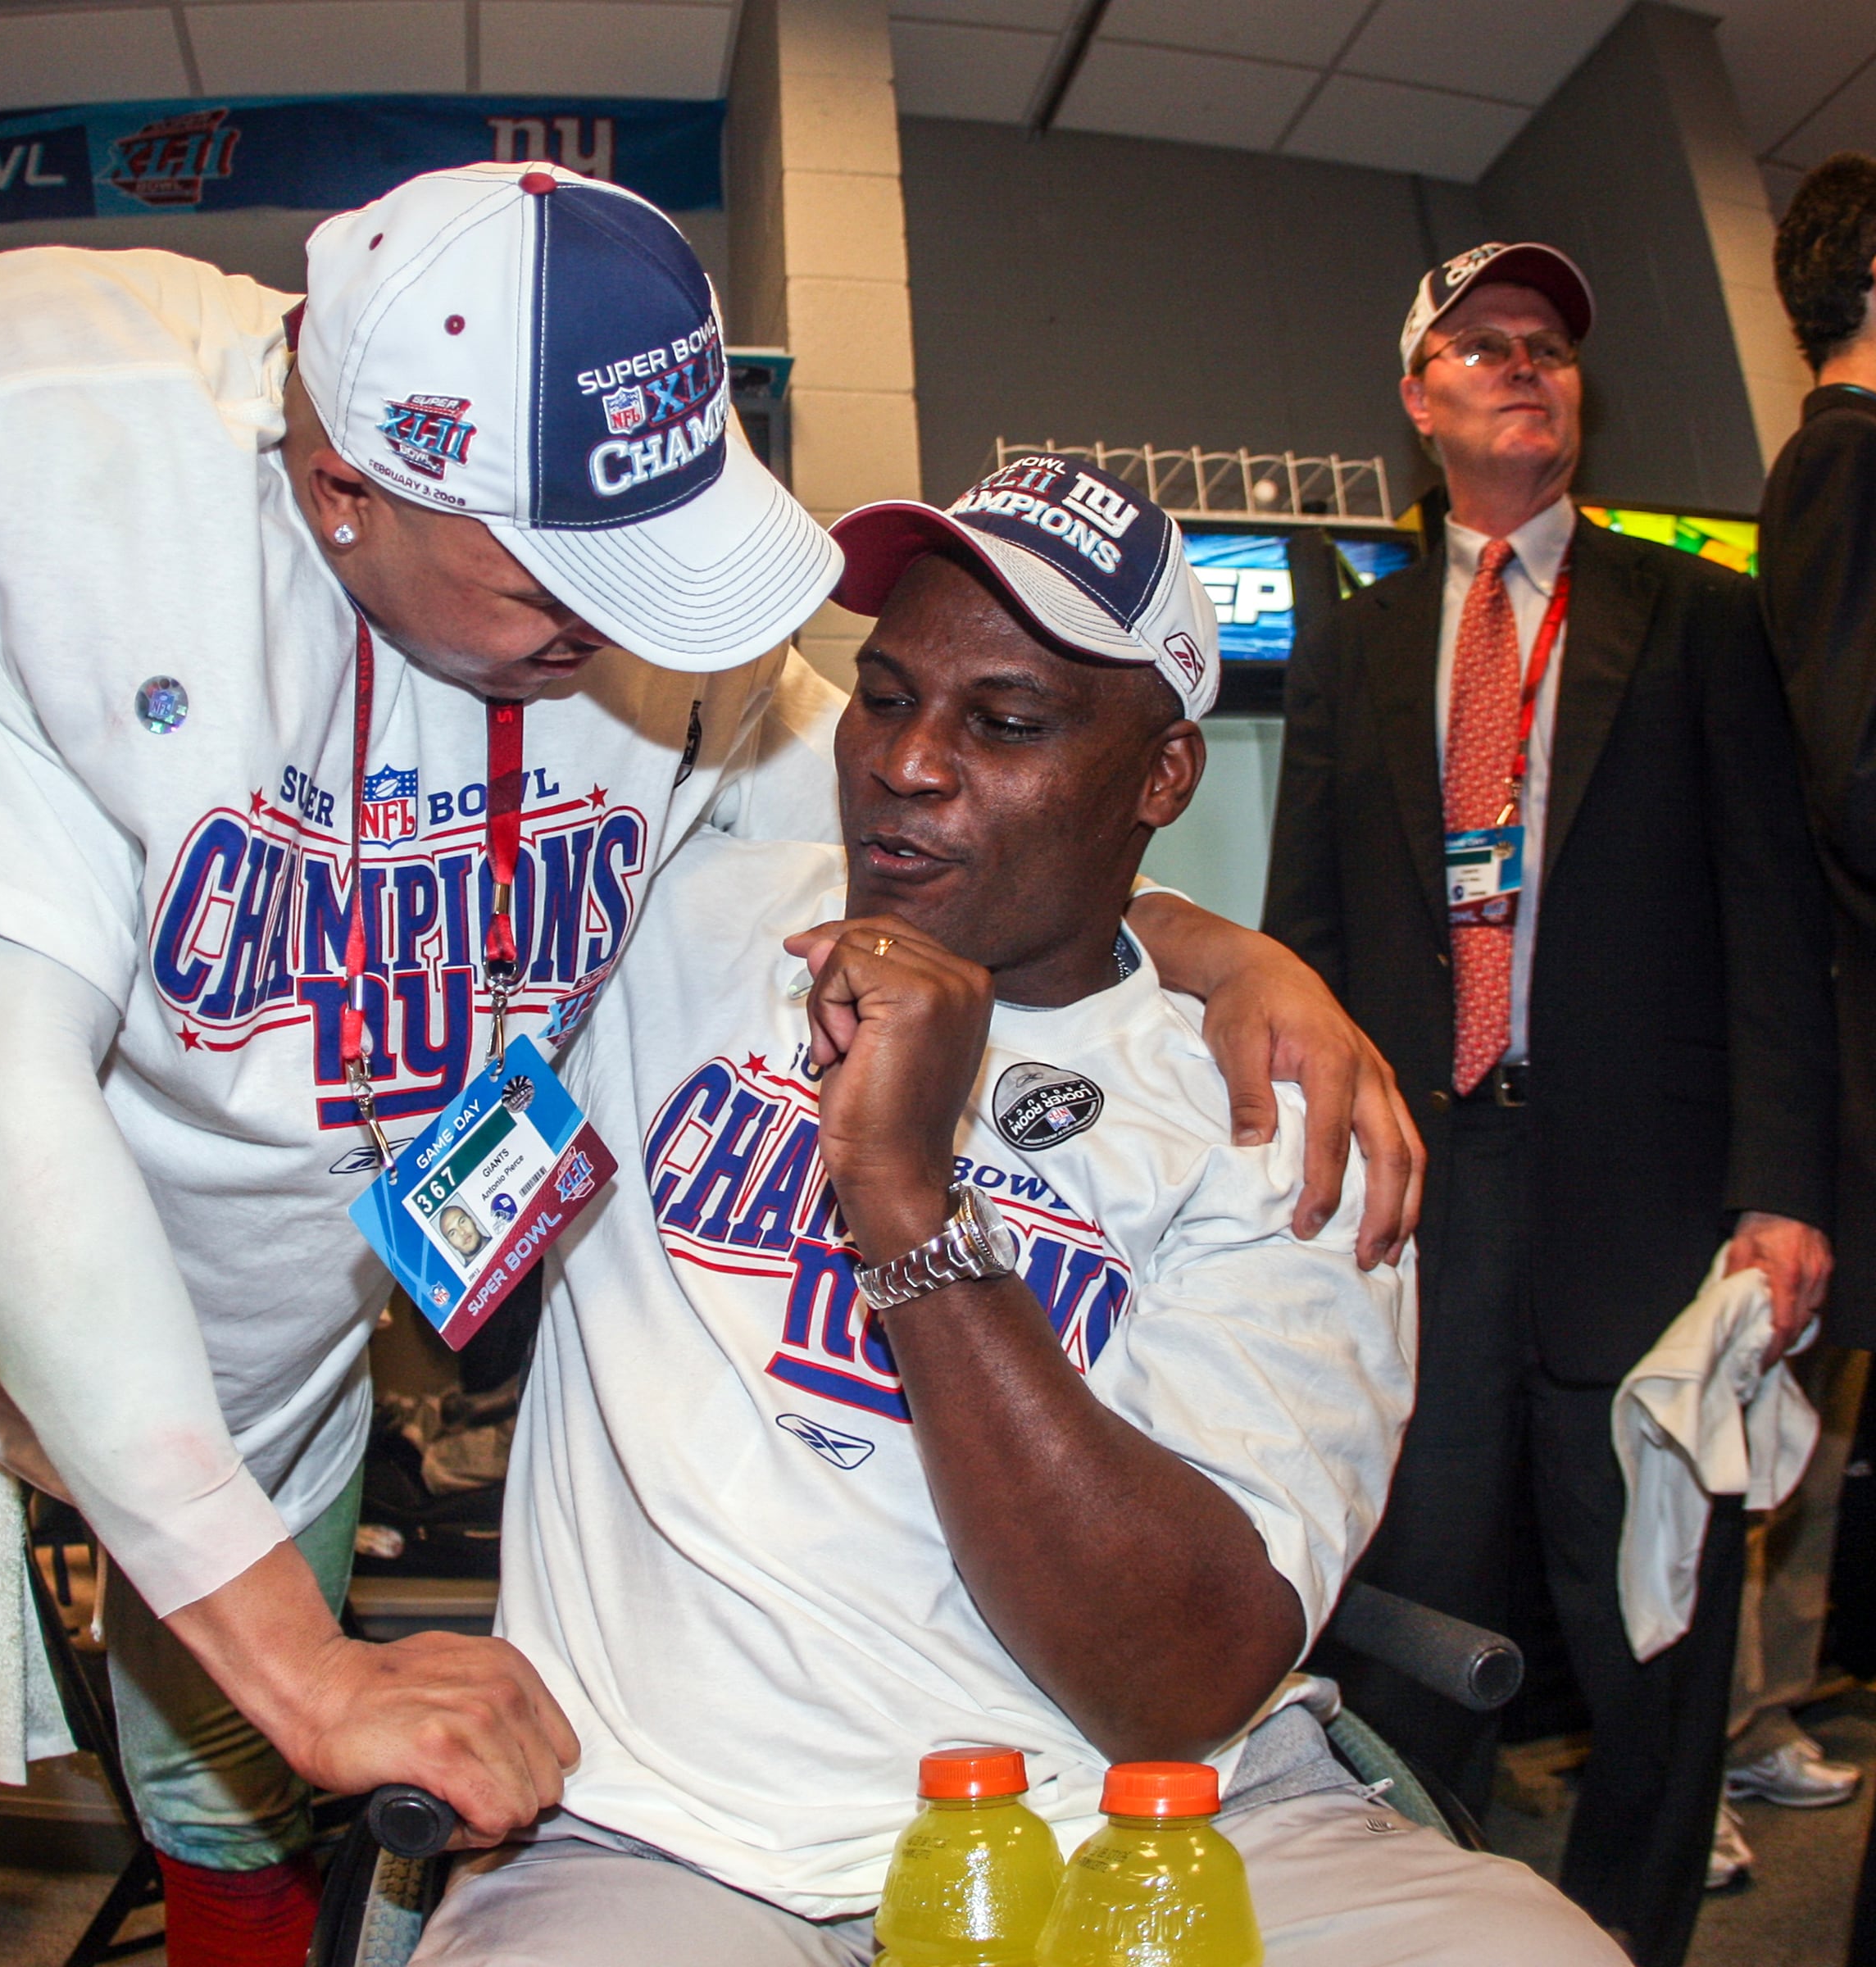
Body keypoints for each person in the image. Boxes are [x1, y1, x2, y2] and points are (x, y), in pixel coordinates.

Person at [0, 163, 1419, 1966]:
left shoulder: (658, 648)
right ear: (343, 487)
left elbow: (953, 844)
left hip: (281, 1311)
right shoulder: (22, 424)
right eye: (568, 573)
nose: (637, 624)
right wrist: (310, 1666)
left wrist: (1225, 950)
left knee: (227, 1804)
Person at [409, 454, 1618, 1966]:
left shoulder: (1265, 1112)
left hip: (1161, 1815)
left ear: (1163, 779)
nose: (908, 765)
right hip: (679, 1834)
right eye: (889, 695)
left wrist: (909, 1208)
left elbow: (1180, 1679)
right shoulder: (662, 927)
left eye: (1009, 725)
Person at [1265, 240, 1838, 1966]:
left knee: (1652, 1639)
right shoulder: (1356, 650)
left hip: (1649, 1211)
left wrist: (1786, 1185)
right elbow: (1304, 934)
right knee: (1413, 1620)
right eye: (1487, 347)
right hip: (1426, 1203)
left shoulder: (1698, 619)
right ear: (1419, 398)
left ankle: (1632, 1938)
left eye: (1553, 351)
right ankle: (1424, 1930)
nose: (1530, 368)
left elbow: (1774, 919)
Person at [1760, 148, 1876, 1945]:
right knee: (1779, 1403)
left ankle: (1754, 1715)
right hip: (1846, 1021)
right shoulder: (1850, 460)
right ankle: (1713, 1732)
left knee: (1815, 1412)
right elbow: (1847, 762)